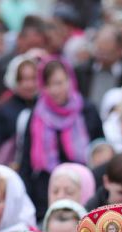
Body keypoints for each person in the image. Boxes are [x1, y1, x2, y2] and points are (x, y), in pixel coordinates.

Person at [21, 59, 101, 217]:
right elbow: (26, 160)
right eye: (49, 85)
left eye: (59, 83)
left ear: (69, 81)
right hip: (46, 195)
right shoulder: (37, 115)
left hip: (82, 192)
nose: (54, 90)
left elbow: (98, 151)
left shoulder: (86, 110)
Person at [74, 26, 122, 106]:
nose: (101, 57)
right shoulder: (81, 72)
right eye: (99, 52)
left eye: (106, 54)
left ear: (119, 50)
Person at [0, 54, 39, 165]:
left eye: (33, 78)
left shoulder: (43, 107)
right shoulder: (1, 108)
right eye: (24, 79)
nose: (29, 85)